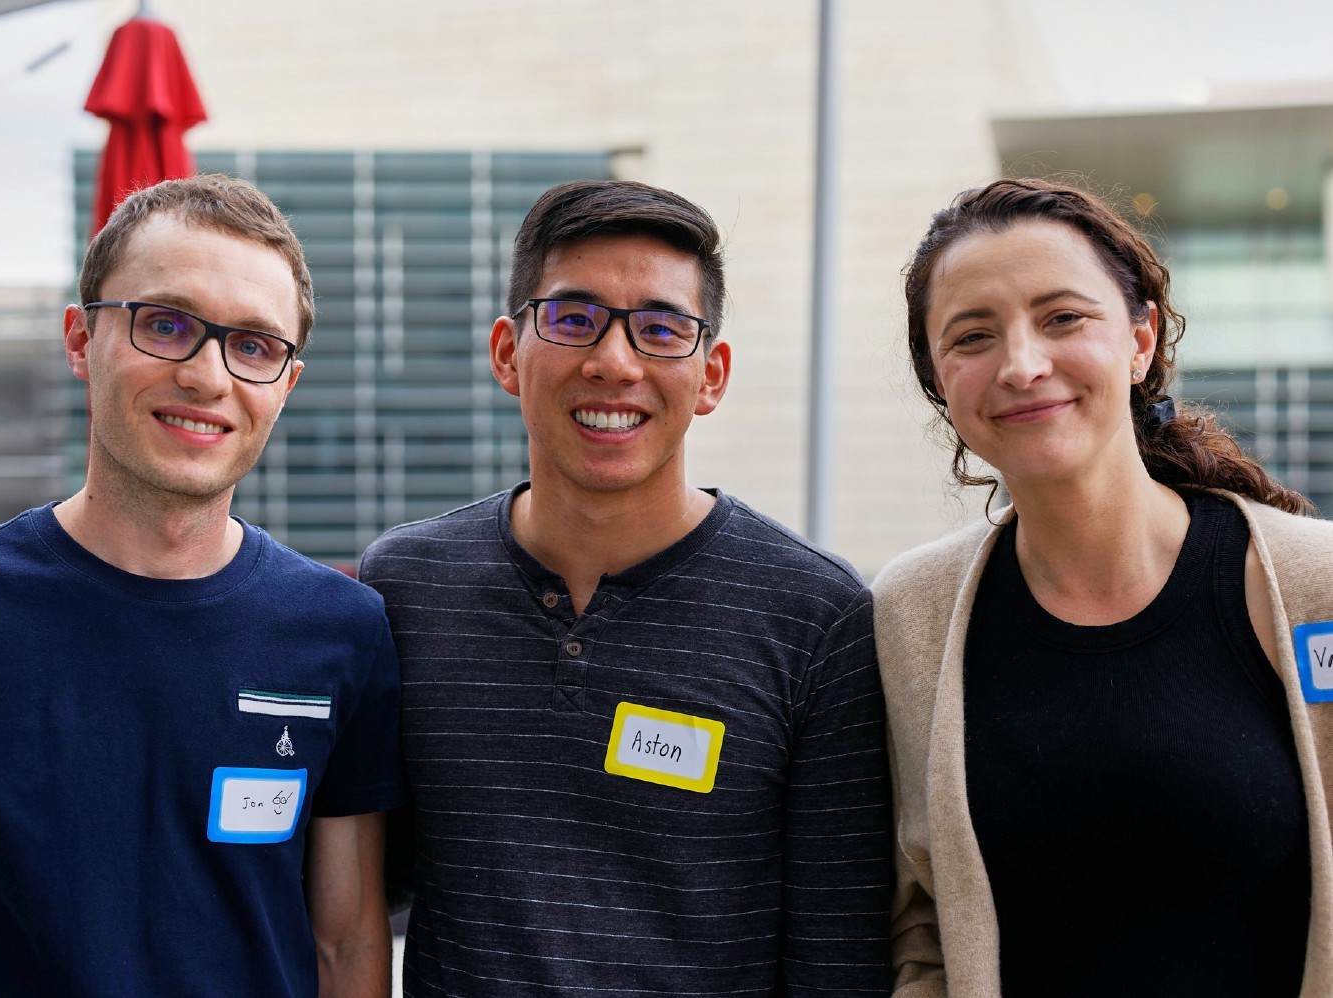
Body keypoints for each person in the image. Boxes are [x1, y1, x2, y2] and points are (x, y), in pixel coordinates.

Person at [0, 174, 403, 997]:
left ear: (286, 384)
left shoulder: (341, 630)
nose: (209, 376)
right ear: (79, 340)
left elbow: (347, 948)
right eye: (166, 324)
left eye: (253, 345)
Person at [359, 179, 892, 996]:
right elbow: (358, 885)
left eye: (660, 329)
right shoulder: (406, 586)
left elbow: (836, 958)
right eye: (574, 319)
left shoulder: (815, 616)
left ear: (711, 374)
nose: (614, 362)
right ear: (508, 352)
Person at [874, 176, 1333, 997]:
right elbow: (919, 917)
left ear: (1141, 339)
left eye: (1063, 318)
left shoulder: (1313, 585)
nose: (1022, 364)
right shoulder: (913, 613)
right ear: (939, 380)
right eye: (973, 336)